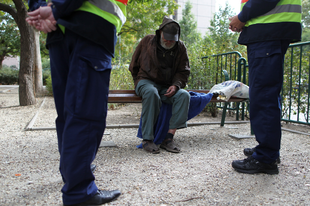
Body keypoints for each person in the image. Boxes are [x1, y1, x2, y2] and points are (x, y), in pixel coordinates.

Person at [26, 0, 128, 205]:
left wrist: (39, 10)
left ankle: (73, 174)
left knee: (68, 113)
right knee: (85, 114)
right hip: (92, 26)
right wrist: (56, 11)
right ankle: (80, 192)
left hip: (58, 32)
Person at [229, 0, 302, 174]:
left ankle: (266, 157)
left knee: (263, 96)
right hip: (270, 31)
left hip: (268, 32)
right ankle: (269, 150)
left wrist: (242, 16)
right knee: (267, 94)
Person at [129, 16, 191, 154]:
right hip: (146, 81)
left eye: (172, 39)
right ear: (160, 32)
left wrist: (176, 85)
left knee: (184, 96)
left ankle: (168, 138)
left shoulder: (180, 47)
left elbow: (183, 72)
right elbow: (133, 64)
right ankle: (147, 140)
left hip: (168, 86)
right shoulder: (147, 41)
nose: (168, 41)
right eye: (166, 37)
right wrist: (138, 81)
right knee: (151, 93)